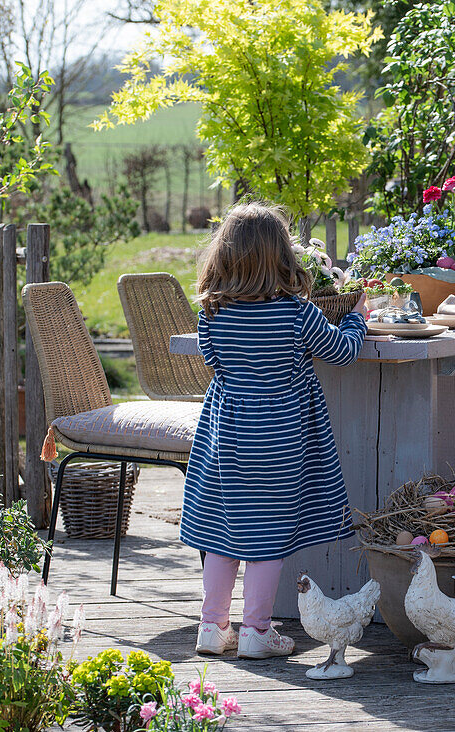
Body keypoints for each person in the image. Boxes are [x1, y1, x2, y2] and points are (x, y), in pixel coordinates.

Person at [181, 202, 368, 659]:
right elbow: (342, 352)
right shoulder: (295, 313)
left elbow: (213, 363)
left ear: (224, 256)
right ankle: (257, 632)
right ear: (280, 256)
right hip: (282, 437)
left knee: (221, 531)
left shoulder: (213, 314)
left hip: (226, 432)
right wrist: (357, 318)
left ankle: (212, 627)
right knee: (268, 535)